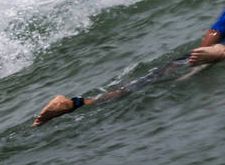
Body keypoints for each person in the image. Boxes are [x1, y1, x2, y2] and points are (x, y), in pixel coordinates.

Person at [32, 7, 225, 126]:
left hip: (190, 57)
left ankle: (75, 104)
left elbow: (215, 30)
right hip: (209, 54)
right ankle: (215, 54)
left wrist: (199, 53)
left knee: (133, 88)